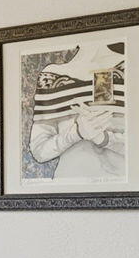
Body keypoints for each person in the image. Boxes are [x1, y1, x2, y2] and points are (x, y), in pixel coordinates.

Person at [26, 43, 128, 181]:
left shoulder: (124, 66)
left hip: (118, 185)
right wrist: (77, 132)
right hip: (68, 187)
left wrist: (102, 138)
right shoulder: (54, 74)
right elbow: (40, 151)